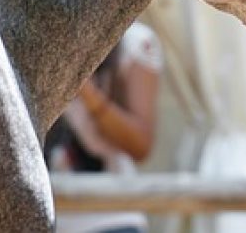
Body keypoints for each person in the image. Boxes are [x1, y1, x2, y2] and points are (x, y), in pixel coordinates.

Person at [45, 21, 163, 233]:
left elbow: (141, 145)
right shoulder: (40, 36)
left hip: (111, 217)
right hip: (44, 217)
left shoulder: (135, 41)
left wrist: (86, 90)